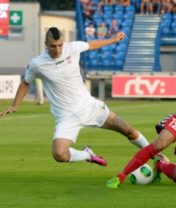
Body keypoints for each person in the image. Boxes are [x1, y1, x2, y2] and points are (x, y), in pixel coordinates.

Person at [0, 27, 149, 167]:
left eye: (59, 45)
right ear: (46, 44)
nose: (57, 49)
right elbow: (25, 83)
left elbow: (91, 45)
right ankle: (87, 155)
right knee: (59, 154)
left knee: (128, 130)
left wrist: (113, 39)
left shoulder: (73, 48)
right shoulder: (37, 64)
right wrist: (15, 105)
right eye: (53, 46)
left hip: (90, 108)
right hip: (66, 117)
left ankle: (156, 154)